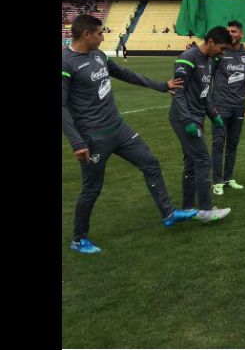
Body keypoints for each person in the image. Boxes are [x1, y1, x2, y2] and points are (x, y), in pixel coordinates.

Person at [62, 15, 198, 254]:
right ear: (86, 35)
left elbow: (125, 74)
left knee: (150, 163)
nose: (103, 37)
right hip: (94, 138)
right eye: (99, 33)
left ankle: (168, 213)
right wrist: (76, 142)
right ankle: (78, 238)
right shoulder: (66, 63)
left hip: (119, 129)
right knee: (92, 188)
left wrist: (161, 85)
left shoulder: (99, 56)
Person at [169, 26, 233, 223]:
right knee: (204, 160)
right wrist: (187, 121)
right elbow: (178, 93)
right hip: (184, 118)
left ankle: (188, 208)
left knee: (191, 163)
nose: (222, 53)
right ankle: (205, 211)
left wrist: (213, 115)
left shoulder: (209, 61)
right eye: (221, 48)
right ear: (211, 42)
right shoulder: (186, 58)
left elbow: (204, 93)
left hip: (197, 116)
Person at [210, 20, 245, 195]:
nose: (231, 34)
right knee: (218, 143)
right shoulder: (220, 52)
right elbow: (208, 74)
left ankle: (229, 178)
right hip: (220, 105)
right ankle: (217, 181)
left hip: (239, 106)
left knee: (233, 144)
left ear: (241, 34)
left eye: (234, 31)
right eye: (228, 31)